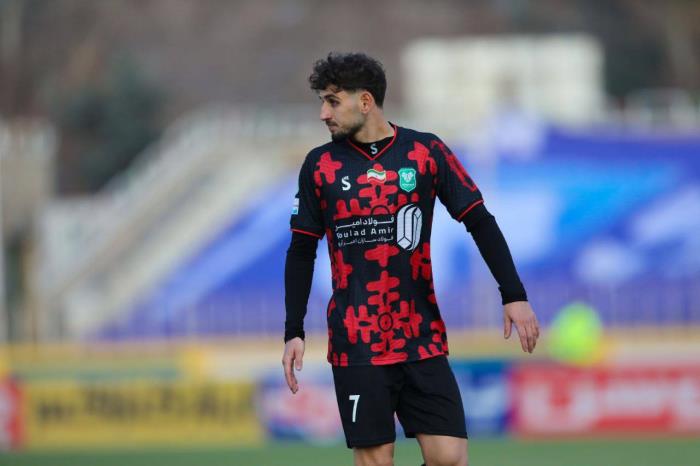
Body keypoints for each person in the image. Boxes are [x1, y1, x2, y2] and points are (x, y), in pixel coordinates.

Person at [282, 52, 539, 466]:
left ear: (365, 101)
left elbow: (479, 220)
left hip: (421, 335)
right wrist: (293, 329)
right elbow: (301, 250)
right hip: (357, 341)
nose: (323, 113)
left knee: (450, 456)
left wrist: (514, 294)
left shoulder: (425, 151)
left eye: (332, 101)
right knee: (376, 460)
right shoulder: (320, 165)